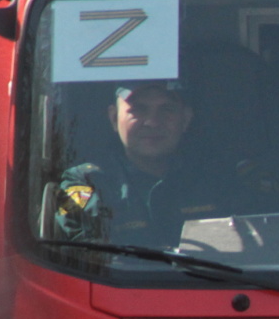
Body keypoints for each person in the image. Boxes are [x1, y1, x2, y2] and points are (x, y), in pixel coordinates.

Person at [53, 81, 265, 245]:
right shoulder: (84, 182)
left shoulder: (221, 177)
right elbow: (86, 263)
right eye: (138, 109)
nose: (153, 122)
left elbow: (261, 246)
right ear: (113, 118)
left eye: (167, 109)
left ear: (186, 119)